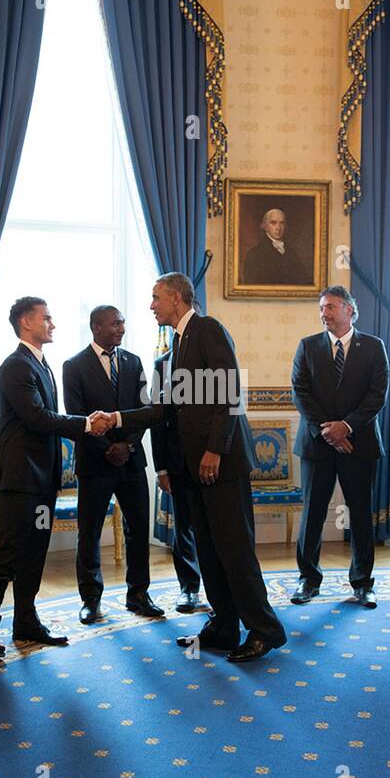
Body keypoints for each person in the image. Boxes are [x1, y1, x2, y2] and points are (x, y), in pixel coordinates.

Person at [99, 273, 288, 662]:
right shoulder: (178, 343)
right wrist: (117, 418)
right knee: (209, 549)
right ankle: (223, 624)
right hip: (194, 470)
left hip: (220, 465)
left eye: (156, 298)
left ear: (177, 298)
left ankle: (265, 630)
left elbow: (230, 392)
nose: (151, 306)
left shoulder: (207, 329)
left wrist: (215, 450)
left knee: (234, 550)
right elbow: (164, 407)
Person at [0, 297, 93, 657]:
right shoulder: (16, 367)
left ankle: (26, 620)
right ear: (25, 322)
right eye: (46, 318)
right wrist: (85, 423)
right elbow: (38, 418)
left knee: (35, 551)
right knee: (8, 553)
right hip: (19, 480)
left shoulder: (41, 364)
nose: (52, 324)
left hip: (42, 479)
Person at [291, 285, 389, 608]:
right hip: (317, 445)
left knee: (360, 514)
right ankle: (308, 579)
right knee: (313, 514)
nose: (324, 313)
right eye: (321, 308)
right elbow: (300, 393)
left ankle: (362, 583)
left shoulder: (374, 348)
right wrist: (329, 431)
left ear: (350, 309)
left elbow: (377, 396)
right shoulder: (307, 347)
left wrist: (346, 427)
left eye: (331, 307)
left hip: (358, 445)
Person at [62, 306, 161, 624]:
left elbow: (145, 407)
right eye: (115, 323)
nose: (122, 327)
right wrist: (107, 449)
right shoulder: (73, 366)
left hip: (131, 460)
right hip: (95, 463)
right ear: (96, 327)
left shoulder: (133, 361)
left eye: (123, 322)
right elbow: (77, 415)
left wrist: (127, 444)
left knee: (138, 529)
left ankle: (139, 595)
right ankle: (91, 600)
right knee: (88, 533)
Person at [152, 345, 206, 614]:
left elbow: (228, 409)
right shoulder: (161, 364)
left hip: (212, 461)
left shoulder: (211, 357)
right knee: (183, 526)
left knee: (212, 528)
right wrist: (161, 469)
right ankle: (188, 589)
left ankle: (222, 590)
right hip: (177, 461)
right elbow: (156, 418)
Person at [242, 208, 311, 286]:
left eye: (282, 223)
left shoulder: (292, 253)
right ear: (265, 226)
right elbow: (252, 287)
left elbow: (304, 281)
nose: (278, 228)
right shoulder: (254, 254)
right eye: (273, 223)